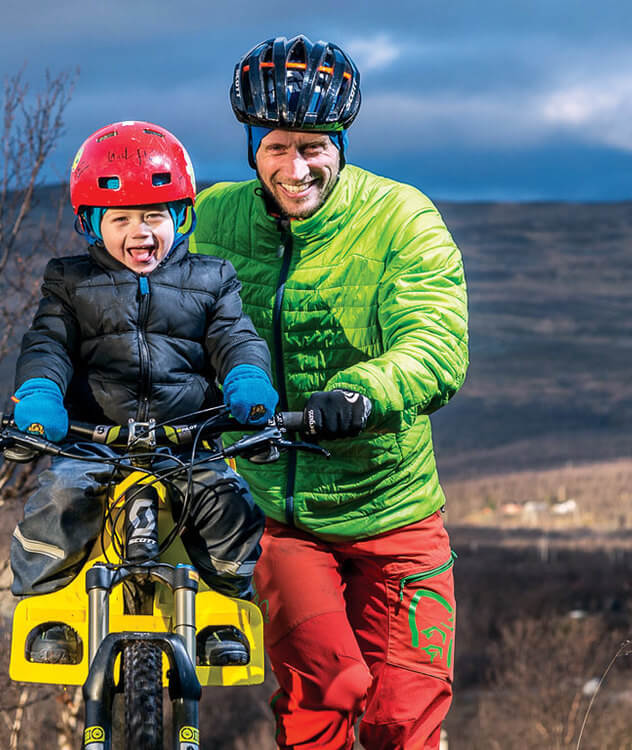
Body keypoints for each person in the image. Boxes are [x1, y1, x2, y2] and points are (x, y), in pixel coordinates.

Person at [190, 36, 469, 750]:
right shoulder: (212, 220)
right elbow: (147, 300)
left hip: (394, 511)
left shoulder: (401, 218)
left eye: (314, 147)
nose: (296, 167)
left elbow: (436, 341)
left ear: (339, 143)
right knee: (322, 703)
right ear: (252, 145)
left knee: (404, 718)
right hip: (282, 520)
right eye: (278, 146)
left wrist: (364, 392)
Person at [9, 121, 279, 662]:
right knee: (60, 499)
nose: (141, 232)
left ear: (180, 218)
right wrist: (40, 393)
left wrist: (248, 379)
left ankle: (224, 611)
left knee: (229, 505)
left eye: (155, 215)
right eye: (122, 218)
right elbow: (49, 343)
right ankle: (51, 612)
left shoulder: (212, 278)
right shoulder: (69, 282)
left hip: (187, 442)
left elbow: (234, 336)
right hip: (93, 441)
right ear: (91, 223)